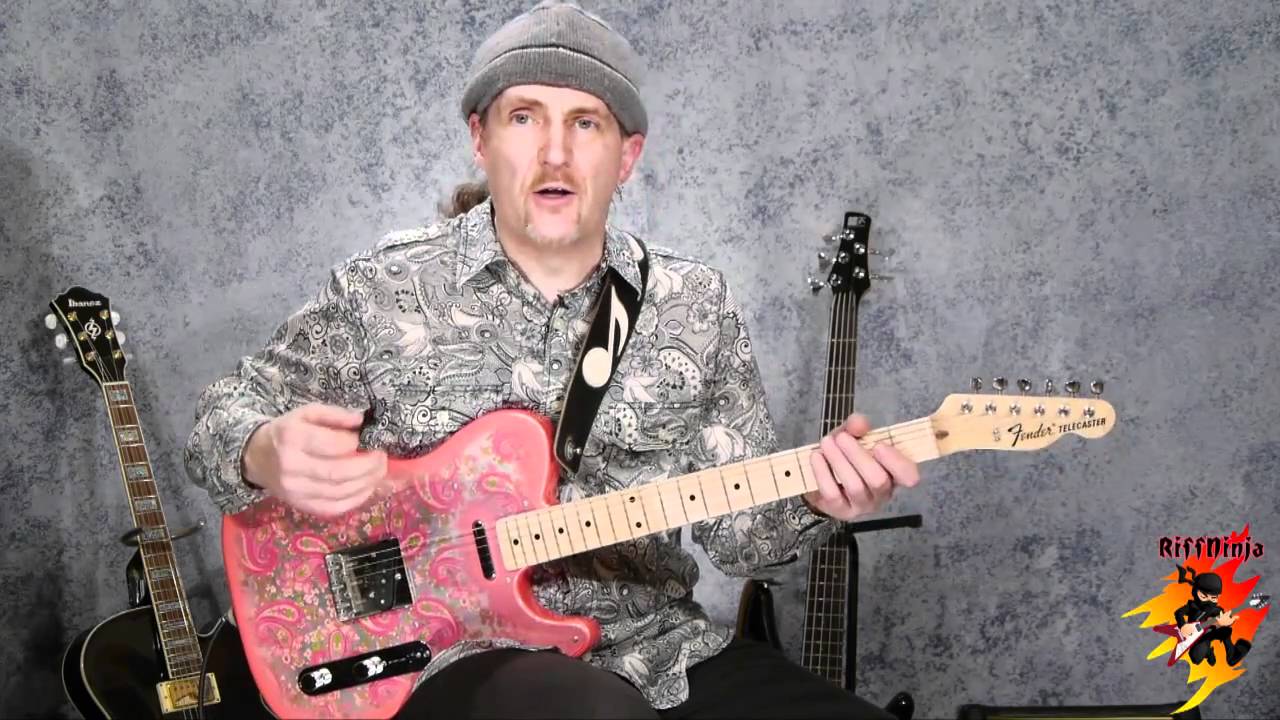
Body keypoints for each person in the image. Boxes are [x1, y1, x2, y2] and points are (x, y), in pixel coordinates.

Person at [184, 1, 920, 717]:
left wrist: (817, 499)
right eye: (524, 117)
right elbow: (221, 416)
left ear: (627, 156)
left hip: (658, 646)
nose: (555, 153)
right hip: (451, 654)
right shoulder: (384, 288)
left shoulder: (695, 305)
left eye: (585, 123)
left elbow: (740, 540)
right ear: (481, 138)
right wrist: (262, 448)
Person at [1173, 567, 1251, 667]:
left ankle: (1232, 655)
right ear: (1195, 592)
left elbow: (1224, 619)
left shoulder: (1216, 610)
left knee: (1225, 630)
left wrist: (1227, 623)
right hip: (1200, 637)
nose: (1209, 601)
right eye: (1204, 597)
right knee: (1196, 659)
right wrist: (1183, 626)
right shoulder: (1192, 606)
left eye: (1213, 598)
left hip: (1211, 633)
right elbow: (1178, 612)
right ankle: (1209, 652)